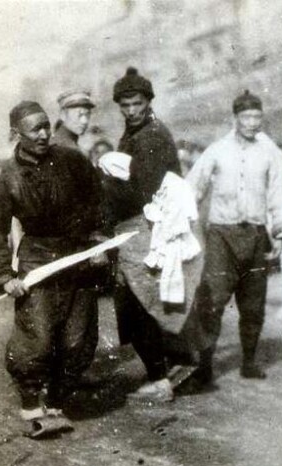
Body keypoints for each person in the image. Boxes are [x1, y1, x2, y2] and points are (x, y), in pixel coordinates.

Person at [0, 101, 106, 436]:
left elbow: (97, 202)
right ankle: (30, 401)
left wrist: (97, 241)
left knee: (77, 337)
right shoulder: (7, 179)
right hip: (36, 258)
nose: (43, 134)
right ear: (15, 134)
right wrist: (5, 277)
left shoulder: (72, 160)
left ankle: (57, 400)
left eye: (47, 126)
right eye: (34, 129)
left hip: (76, 256)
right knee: (35, 337)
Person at [183, 90, 282, 384]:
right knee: (213, 300)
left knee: (253, 302)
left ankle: (249, 361)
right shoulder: (217, 150)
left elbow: (279, 194)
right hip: (222, 235)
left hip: (256, 235)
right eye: (246, 117)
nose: (252, 122)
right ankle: (205, 365)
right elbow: (192, 187)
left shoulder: (268, 153)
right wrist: (181, 219)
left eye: (257, 117)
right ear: (234, 118)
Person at [104, 67, 194, 402]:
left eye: (136, 103)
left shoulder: (152, 137)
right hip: (144, 226)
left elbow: (141, 191)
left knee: (141, 302)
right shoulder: (133, 135)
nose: (131, 111)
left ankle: (162, 376)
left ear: (148, 101)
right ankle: (171, 366)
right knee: (146, 300)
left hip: (150, 228)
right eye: (125, 105)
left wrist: (106, 191)